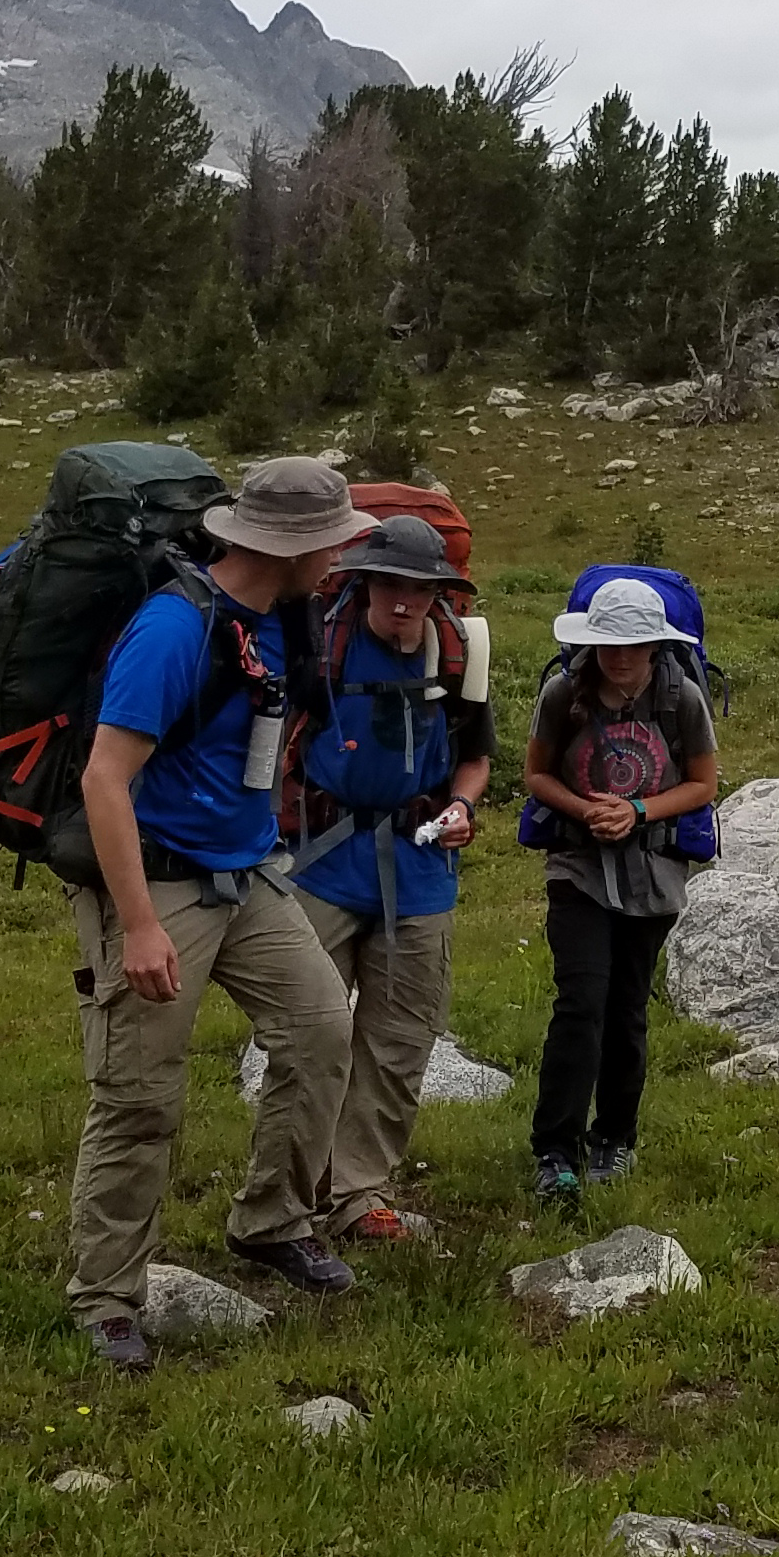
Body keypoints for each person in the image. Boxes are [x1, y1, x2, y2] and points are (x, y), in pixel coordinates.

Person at [64, 456, 374, 1374]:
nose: (341, 555)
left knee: (320, 1031)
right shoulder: (173, 630)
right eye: (334, 541)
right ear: (294, 547)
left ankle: (273, 1217)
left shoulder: (288, 617)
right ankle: (107, 1294)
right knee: (139, 1094)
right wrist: (143, 926)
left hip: (247, 875)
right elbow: (103, 778)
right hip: (156, 884)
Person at [282, 515, 494, 1245]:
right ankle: (286, 1196)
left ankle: (358, 1193)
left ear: (440, 592)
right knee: (309, 1034)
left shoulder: (458, 653)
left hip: (420, 867)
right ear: (366, 581)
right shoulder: (320, 642)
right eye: (391, 585)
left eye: (420, 588)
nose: (404, 602)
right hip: (322, 862)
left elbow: (476, 755)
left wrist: (463, 805)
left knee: (399, 1038)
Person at [521, 573, 719, 1206]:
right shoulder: (562, 693)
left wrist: (637, 811)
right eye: (610, 645)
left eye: (635, 646)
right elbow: (535, 774)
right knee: (581, 1002)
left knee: (628, 1007)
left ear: (657, 646)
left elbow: (702, 785)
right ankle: (555, 1150)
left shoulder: (681, 697)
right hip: (576, 868)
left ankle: (615, 1137)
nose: (622, 658)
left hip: (653, 872)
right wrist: (585, 811)